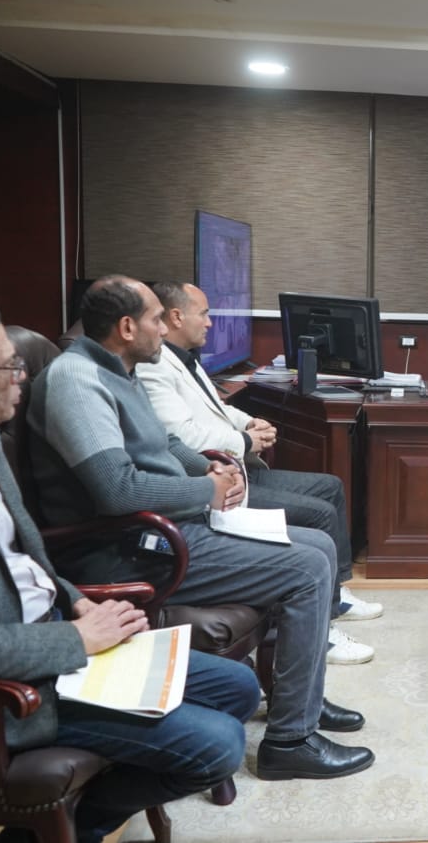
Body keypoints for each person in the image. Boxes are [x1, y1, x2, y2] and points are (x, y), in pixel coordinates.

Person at [0, 289, 262, 843]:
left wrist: (75, 600)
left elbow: (22, 561)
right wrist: (77, 639)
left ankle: (57, 831)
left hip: (55, 634)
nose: (21, 378)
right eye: (6, 367)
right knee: (218, 745)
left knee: (238, 688)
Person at [27, 276, 375, 781]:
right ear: (127, 327)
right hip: (128, 548)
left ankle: (300, 702)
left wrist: (212, 469)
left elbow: (164, 446)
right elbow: (117, 491)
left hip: (167, 528)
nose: (162, 329)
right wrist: (204, 491)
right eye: (154, 319)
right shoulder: (76, 381)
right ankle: (290, 742)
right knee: (307, 568)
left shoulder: (120, 370)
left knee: (318, 545)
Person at [137, 281, 379, 665]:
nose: (210, 323)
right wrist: (246, 440)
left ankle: (335, 594)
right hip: (215, 477)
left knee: (330, 487)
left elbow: (217, 409)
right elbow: (184, 436)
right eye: (204, 314)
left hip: (237, 465)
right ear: (177, 316)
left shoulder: (184, 357)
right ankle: (324, 626)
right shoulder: (153, 367)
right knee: (319, 515)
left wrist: (251, 422)